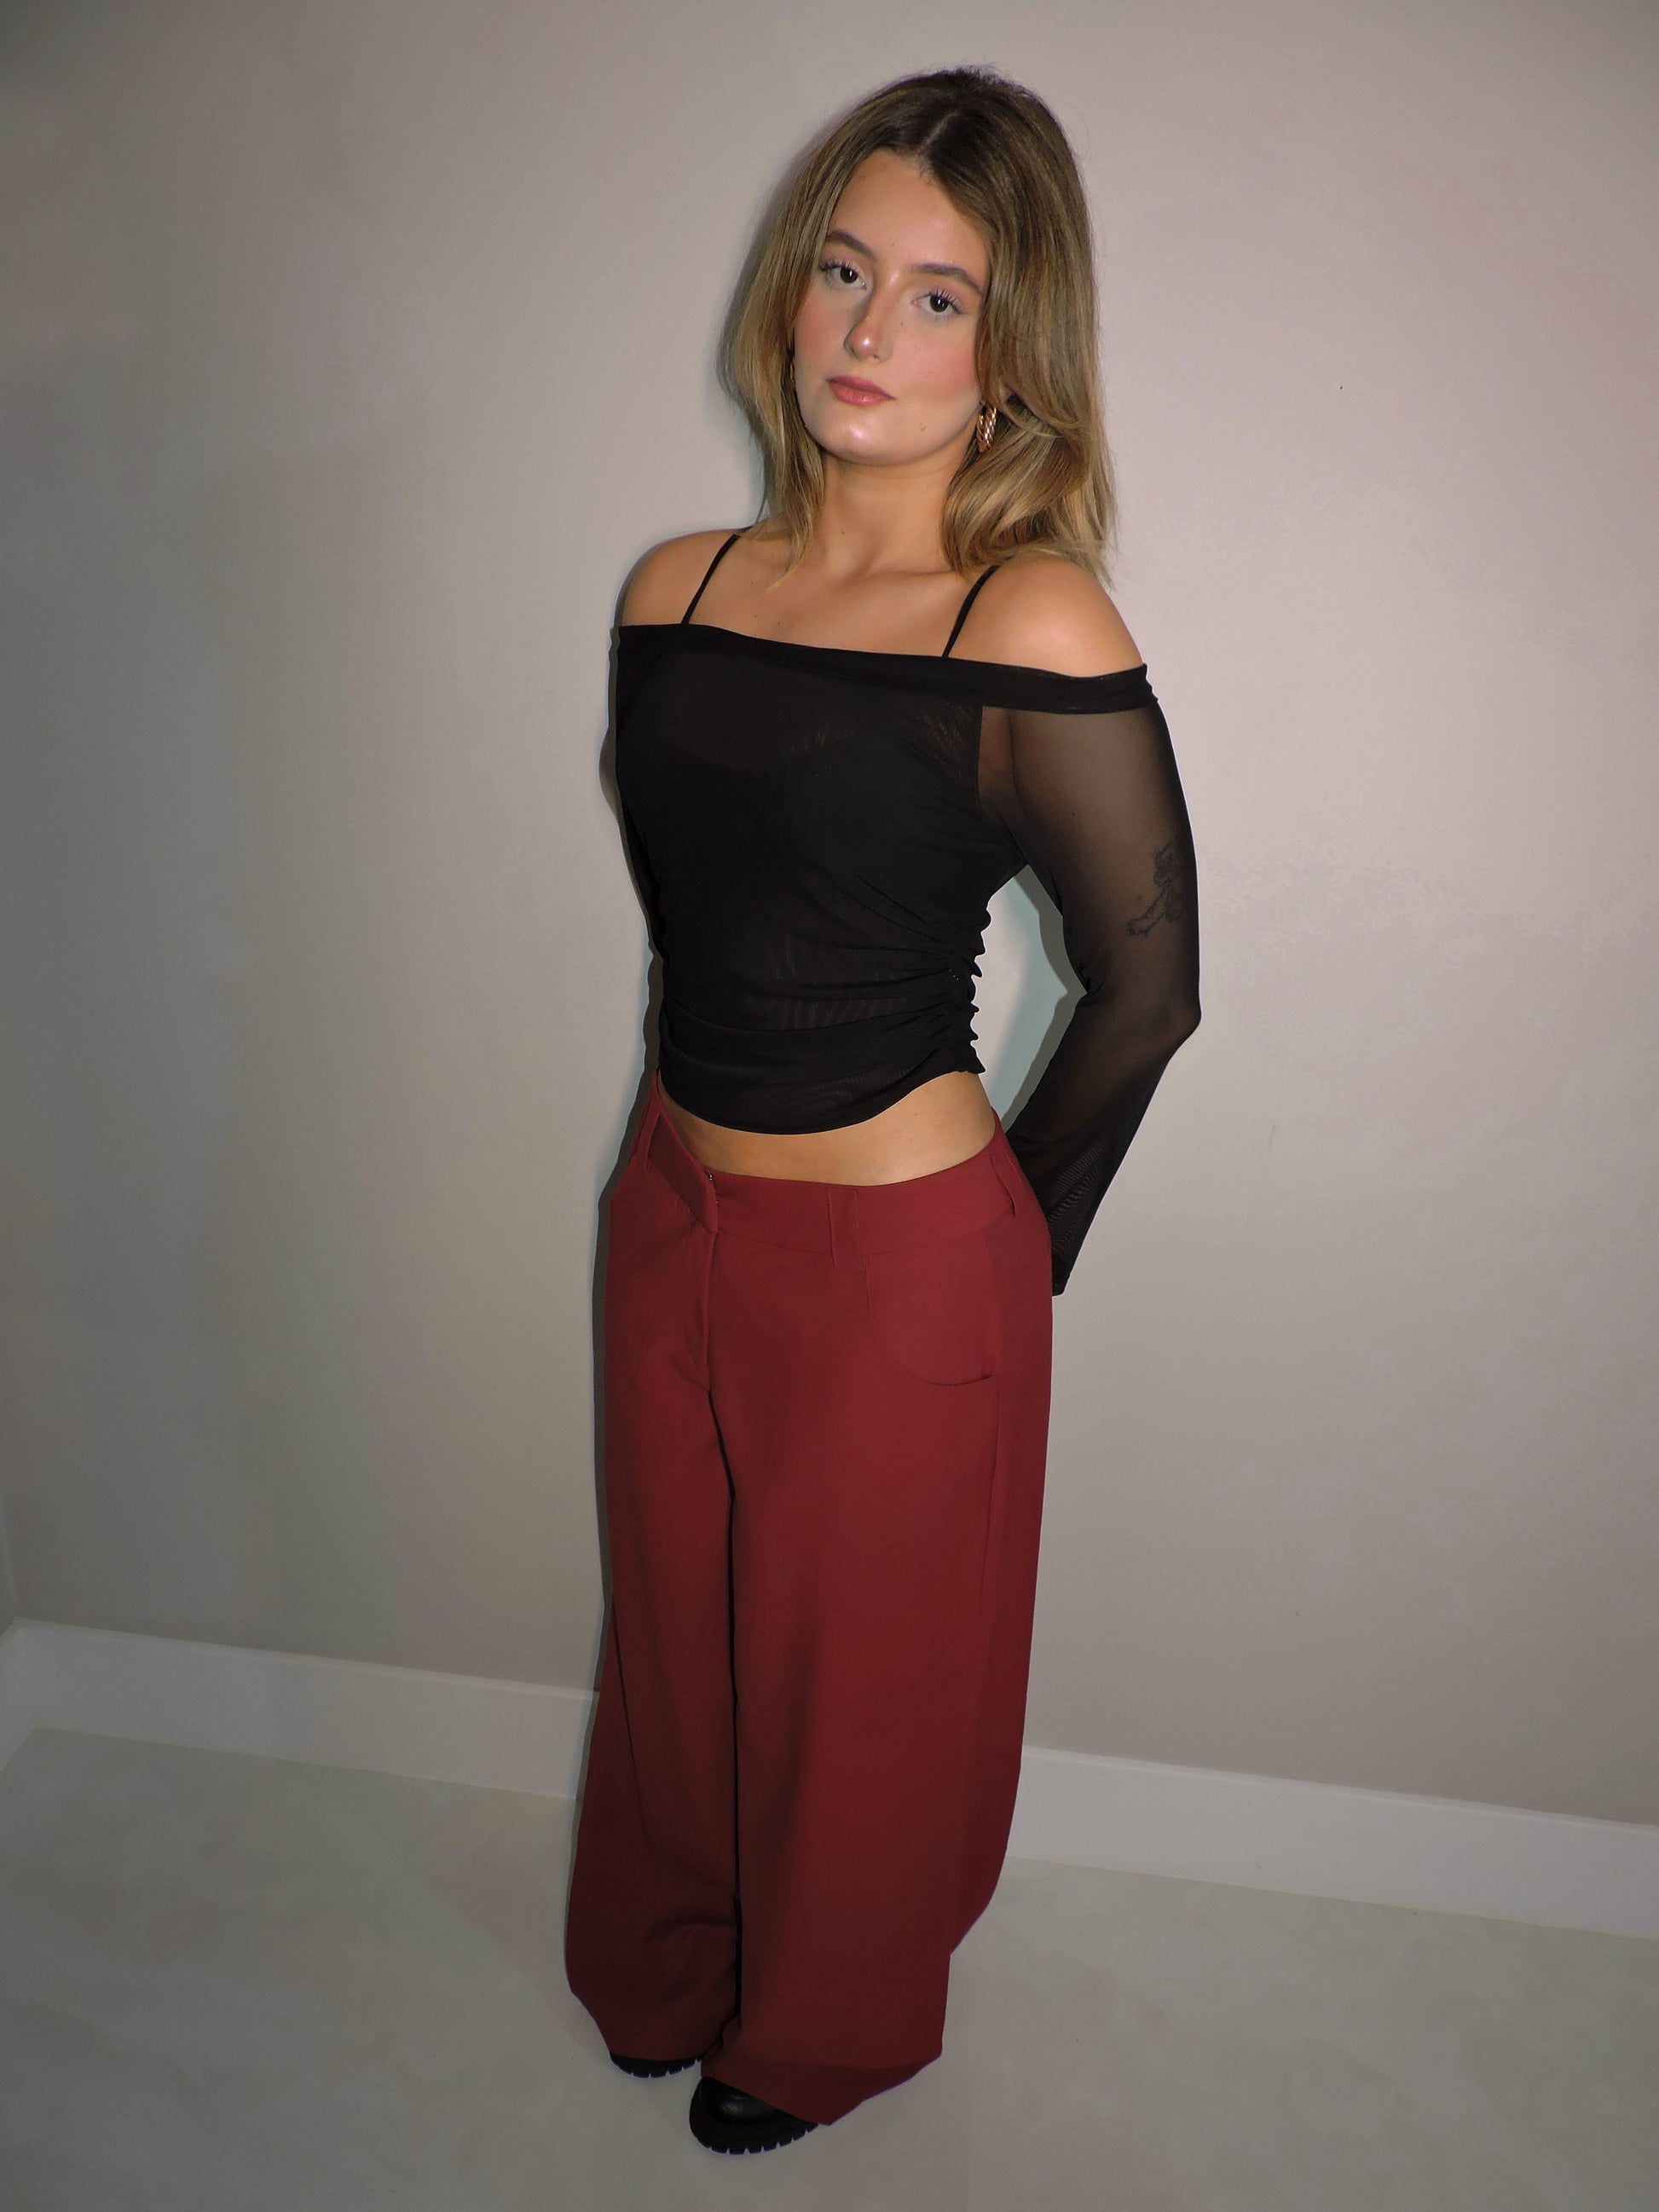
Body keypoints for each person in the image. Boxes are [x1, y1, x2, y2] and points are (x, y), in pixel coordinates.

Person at [564, 64, 1201, 2157]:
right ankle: (667, 1950)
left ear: (1012, 358)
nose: (867, 329)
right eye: (843, 270)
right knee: (675, 1626)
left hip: (896, 1245)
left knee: (864, 1677)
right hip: (670, 1194)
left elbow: (1148, 990)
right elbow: (716, 905)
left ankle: (824, 2024)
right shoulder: (673, 589)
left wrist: (1008, 1258)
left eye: (939, 297)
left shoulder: (1023, 618)